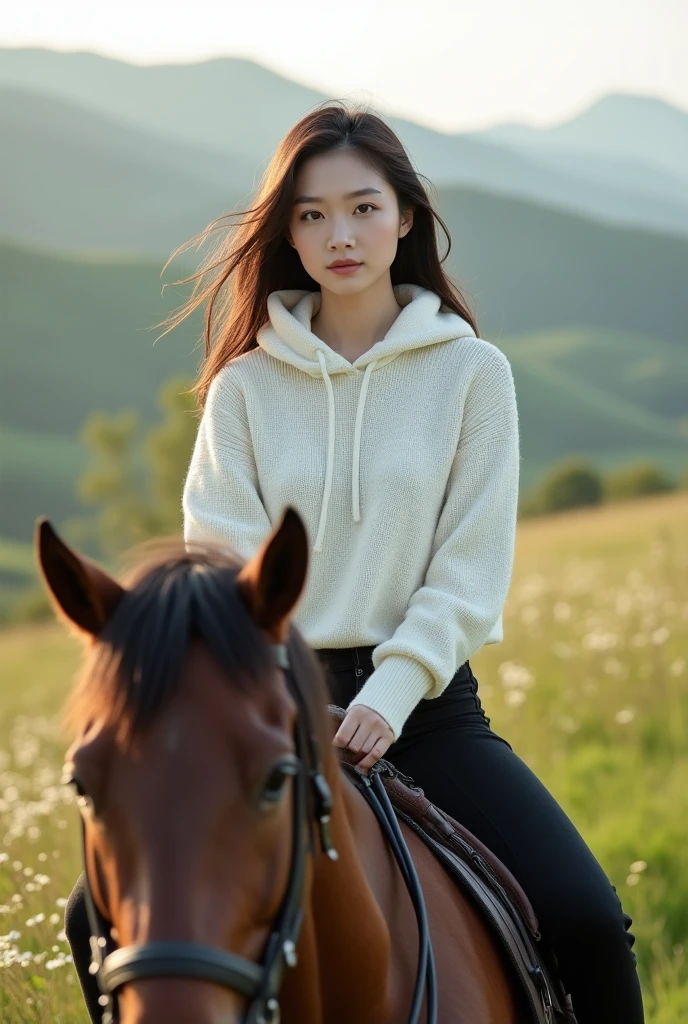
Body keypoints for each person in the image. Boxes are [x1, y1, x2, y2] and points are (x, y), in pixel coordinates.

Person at [65, 101, 644, 1023]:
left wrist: (389, 692)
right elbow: (226, 562)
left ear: (406, 217)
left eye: (364, 208)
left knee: (586, 923)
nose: (341, 234)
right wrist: (290, 694)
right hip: (267, 711)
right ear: (287, 232)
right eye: (312, 213)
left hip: (424, 714)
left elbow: (471, 561)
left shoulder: (472, 375)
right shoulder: (244, 389)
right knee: (95, 923)